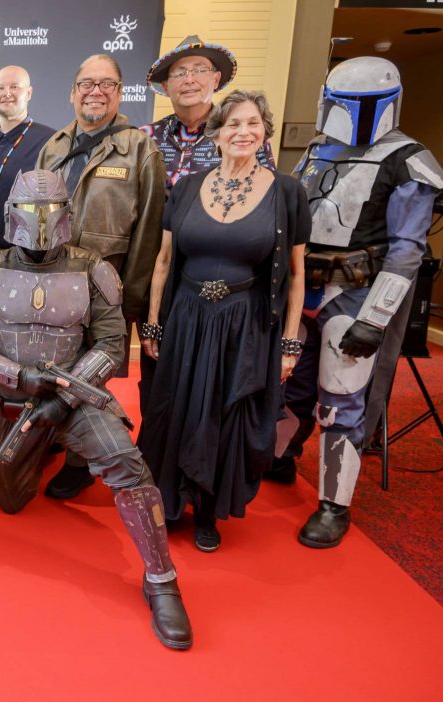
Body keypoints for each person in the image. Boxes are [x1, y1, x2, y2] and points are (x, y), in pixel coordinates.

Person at [0, 169, 192, 650]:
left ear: (66, 214)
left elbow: (109, 344)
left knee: (127, 464)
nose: (39, 221)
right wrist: (19, 378)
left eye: (49, 210)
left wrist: (63, 398)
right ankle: (41, 455)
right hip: (15, 403)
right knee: (11, 503)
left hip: (76, 398)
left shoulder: (93, 270)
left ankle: (162, 579)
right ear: (11, 212)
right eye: (29, 209)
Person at [280, 57, 443, 548]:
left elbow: (406, 253)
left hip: (354, 294)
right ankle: (280, 458)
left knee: (341, 399)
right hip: (302, 289)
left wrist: (375, 320)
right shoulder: (317, 150)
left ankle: (334, 506)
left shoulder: (407, 161)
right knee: (289, 385)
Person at [135, 91, 310, 552]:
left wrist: (289, 344)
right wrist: (153, 323)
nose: (243, 132)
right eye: (233, 124)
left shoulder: (286, 193)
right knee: (174, 409)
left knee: (224, 414)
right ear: (216, 133)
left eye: (253, 123)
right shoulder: (189, 186)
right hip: (187, 318)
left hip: (243, 324)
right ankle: (171, 501)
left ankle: (209, 510)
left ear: (265, 132)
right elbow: (164, 259)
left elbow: (296, 276)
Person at [34, 53, 165, 499]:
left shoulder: (140, 148)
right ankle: (56, 440)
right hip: (50, 283)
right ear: (72, 92)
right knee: (54, 368)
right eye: (87, 83)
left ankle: (80, 462)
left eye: (107, 84)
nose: (96, 91)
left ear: (120, 93)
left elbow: (148, 231)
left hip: (104, 290)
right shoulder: (53, 147)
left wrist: (131, 299)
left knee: (89, 379)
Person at [141, 35, 275, 192]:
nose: (189, 79)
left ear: (216, 79)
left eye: (200, 70)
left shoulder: (243, 136)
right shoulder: (146, 138)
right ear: (165, 86)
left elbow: (268, 194)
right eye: (180, 73)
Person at [0, 65, 53, 253]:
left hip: (24, 262)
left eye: (14, 87)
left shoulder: (50, 142)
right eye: (0, 88)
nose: (7, 93)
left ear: (29, 93)